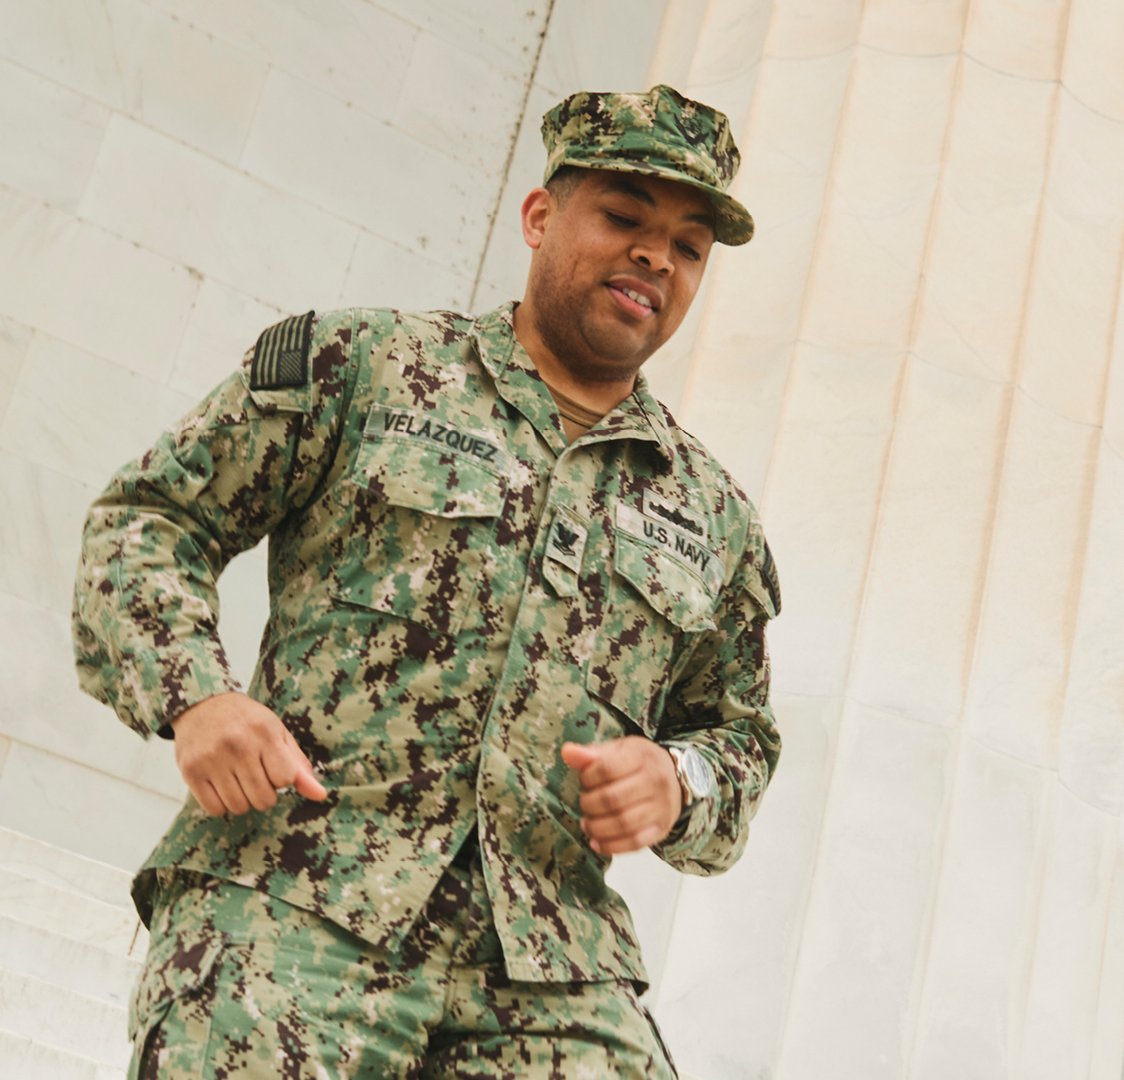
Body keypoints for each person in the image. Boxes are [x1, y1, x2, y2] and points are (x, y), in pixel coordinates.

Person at [73, 84, 781, 1079]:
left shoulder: (712, 515)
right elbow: (152, 520)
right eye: (624, 217)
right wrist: (195, 695)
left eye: (689, 245)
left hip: (549, 970)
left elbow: (738, 735)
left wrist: (679, 781)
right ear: (540, 218)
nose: (656, 257)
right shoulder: (362, 367)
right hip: (297, 903)